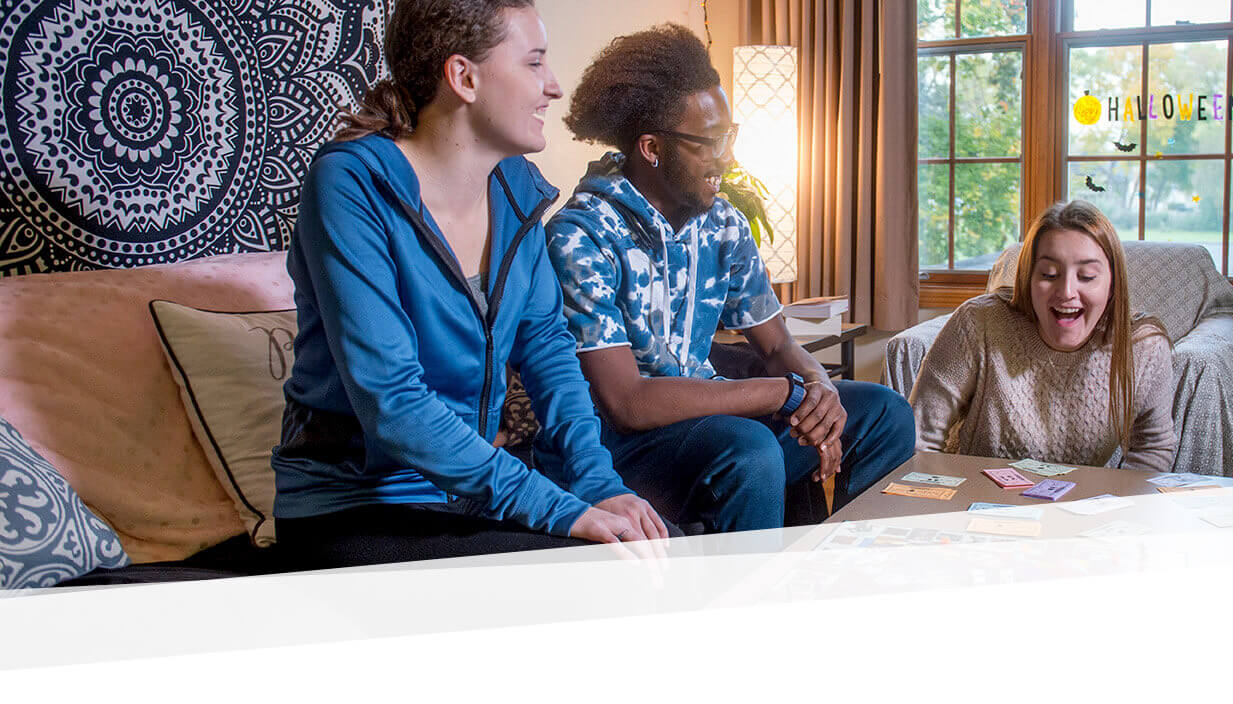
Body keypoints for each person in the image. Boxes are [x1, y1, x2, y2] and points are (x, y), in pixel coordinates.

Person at [270, 0, 668, 569]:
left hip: (464, 501)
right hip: (348, 509)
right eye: (534, 63)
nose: (553, 86)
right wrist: (558, 509)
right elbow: (393, 402)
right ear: (464, 77)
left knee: (671, 554)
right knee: (603, 572)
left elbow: (550, 353)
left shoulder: (516, 189)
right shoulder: (352, 184)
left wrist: (598, 485)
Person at [542, 24, 913, 533]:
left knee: (883, 412)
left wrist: (820, 389)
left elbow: (778, 343)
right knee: (750, 449)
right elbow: (626, 402)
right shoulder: (580, 236)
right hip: (621, 445)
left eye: (728, 137)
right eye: (711, 142)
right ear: (651, 148)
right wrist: (778, 394)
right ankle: (743, 607)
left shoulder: (723, 223)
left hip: (708, 421)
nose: (728, 157)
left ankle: (841, 570)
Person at [911, 200, 1177, 472]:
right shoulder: (978, 323)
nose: (1067, 291)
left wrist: (1113, 506)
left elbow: (1152, 448)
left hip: (1083, 508)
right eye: (1049, 274)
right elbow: (920, 439)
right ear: (1028, 279)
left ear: (1112, 286)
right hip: (973, 498)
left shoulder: (1144, 345)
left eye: (1087, 276)